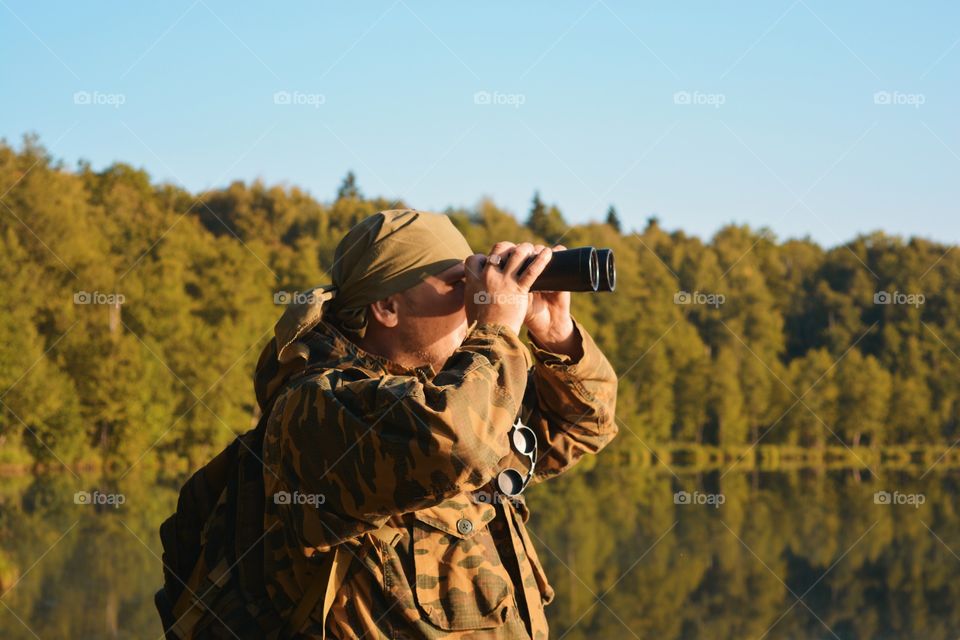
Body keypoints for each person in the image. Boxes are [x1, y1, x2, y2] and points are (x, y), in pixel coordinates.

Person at [256, 209, 618, 639]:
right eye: (458, 284)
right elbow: (456, 444)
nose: (474, 300)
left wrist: (556, 334)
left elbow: (584, 426)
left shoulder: (457, 396)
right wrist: (497, 328)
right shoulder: (320, 406)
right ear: (387, 306)